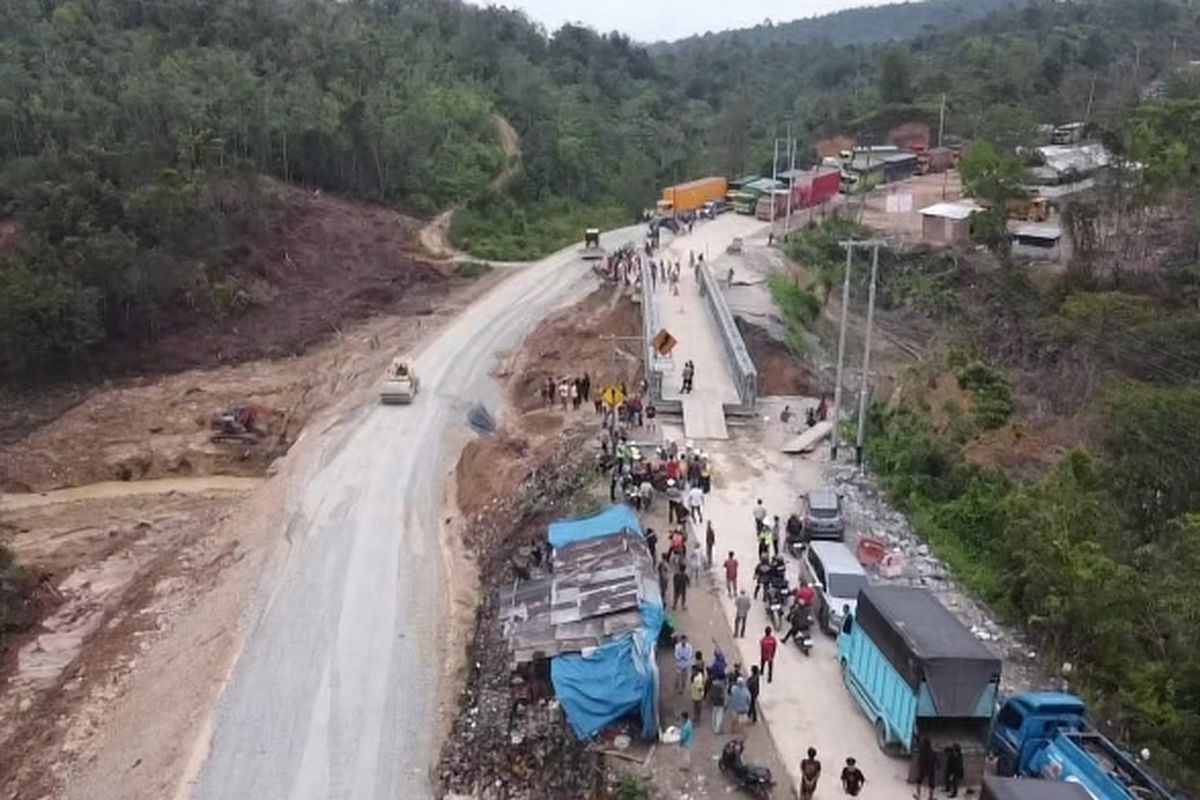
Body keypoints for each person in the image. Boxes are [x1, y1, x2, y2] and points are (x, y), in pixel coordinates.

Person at [709, 670, 727, 734]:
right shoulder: (721, 686)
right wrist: (725, 703)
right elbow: (723, 695)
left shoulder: (713, 684)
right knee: (719, 716)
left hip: (714, 702)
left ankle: (714, 727)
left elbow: (710, 693)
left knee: (714, 715)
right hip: (720, 702)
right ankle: (717, 729)